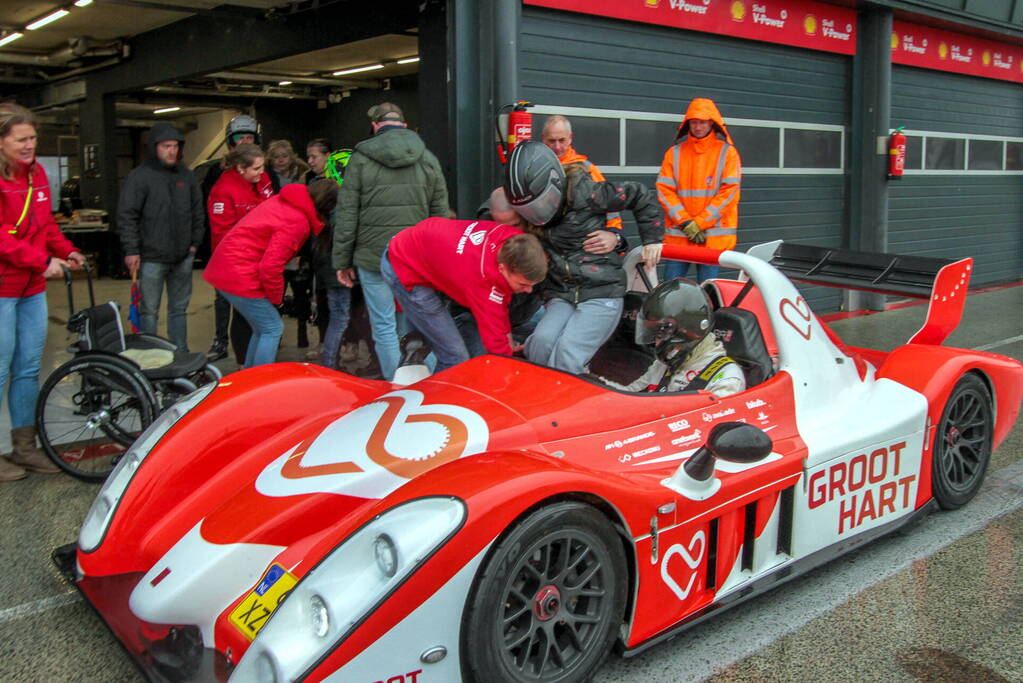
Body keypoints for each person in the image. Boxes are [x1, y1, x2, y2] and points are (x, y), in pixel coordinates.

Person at [504, 141, 663, 375]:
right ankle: (537, 398)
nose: (538, 213)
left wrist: (651, 239)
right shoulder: (526, 219)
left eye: (541, 202)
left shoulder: (586, 192)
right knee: (540, 342)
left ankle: (562, 404)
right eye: (530, 209)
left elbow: (638, 193)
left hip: (601, 290)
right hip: (562, 293)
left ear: (555, 184)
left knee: (567, 352)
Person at [333, 102, 448, 381]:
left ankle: (397, 387)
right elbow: (440, 213)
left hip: (373, 257)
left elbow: (347, 213)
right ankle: (428, 380)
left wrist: (342, 260)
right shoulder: (427, 158)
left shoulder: (360, 160)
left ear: (375, 126)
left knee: (384, 326)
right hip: (415, 258)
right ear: (404, 126)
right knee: (423, 320)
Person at [0, 103, 85, 480]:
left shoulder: (35, 175)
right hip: (3, 287)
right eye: (21, 139)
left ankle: (24, 448)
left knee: (28, 369)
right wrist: (40, 260)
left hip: (31, 289)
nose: (29, 145)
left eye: (33, 137)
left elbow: (46, 223)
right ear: (1, 142)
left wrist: (65, 249)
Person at [381, 217, 547, 372]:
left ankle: (415, 366)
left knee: (424, 340)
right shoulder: (482, 282)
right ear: (503, 269)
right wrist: (508, 368)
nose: (528, 290)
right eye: (523, 284)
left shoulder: (514, 240)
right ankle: (438, 399)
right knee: (455, 358)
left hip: (421, 248)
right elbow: (497, 349)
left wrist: (507, 342)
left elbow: (500, 310)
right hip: (404, 265)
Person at [203, 180, 338, 368]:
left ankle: (250, 377)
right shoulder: (298, 221)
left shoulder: (283, 201)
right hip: (240, 272)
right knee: (273, 328)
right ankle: (260, 380)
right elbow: (270, 266)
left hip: (227, 265)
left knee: (262, 328)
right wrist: (276, 300)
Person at [118, 121, 204, 351]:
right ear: (154, 147)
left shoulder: (187, 176)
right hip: (151, 258)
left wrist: (194, 245)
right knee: (149, 311)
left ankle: (180, 354)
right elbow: (127, 215)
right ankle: (150, 356)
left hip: (183, 257)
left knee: (179, 309)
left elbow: (198, 212)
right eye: (166, 146)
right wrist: (132, 250)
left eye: (175, 146)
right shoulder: (139, 177)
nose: (172, 151)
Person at [593, 278, 745, 397]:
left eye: (660, 332)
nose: (656, 342)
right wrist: (594, 384)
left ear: (685, 331)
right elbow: (630, 395)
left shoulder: (726, 379)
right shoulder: (665, 364)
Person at [656, 97, 741, 282]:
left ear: (712, 123)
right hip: (680, 238)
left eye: (702, 122)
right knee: (671, 291)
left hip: (710, 240)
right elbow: (664, 190)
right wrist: (686, 223)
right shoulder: (675, 153)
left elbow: (729, 193)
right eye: (694, 122)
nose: (698, 127)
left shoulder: (727, 153)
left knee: (708, 292)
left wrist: (700, 224)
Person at [206, 143, 274, 362]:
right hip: (236, 262)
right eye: (256, 168)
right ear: (240, 168)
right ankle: (247, 364)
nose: (261, 172)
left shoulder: (262, 181)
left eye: (263, 167)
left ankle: (252, 369)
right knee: (255, 320)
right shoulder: (223, 190)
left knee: (259, 323)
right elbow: (222, 233)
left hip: (262, 258)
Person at [541, 114, 622, 232]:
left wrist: (614, 234)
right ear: (543, 138)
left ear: (570, 138)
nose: (557, 147)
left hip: (578, 236)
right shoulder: (534, 167)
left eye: (562, 140)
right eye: (552, 141)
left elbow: (609, 204)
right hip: (544, 236)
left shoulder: (587, 169)